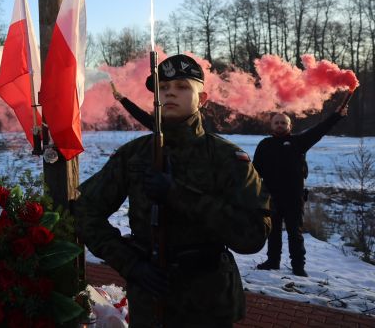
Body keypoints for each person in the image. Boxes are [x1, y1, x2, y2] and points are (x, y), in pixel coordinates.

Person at [74, 54, 271, 328]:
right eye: (163, 88)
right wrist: (131, 265)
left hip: (207, 302)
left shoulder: (226, 158)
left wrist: (179, 195)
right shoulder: (134, 155)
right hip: (150, 301)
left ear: (202, 99)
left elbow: (252, 235)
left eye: (182, 86)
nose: (170, 93)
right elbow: (84, 211)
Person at [253, 100, 348, 277]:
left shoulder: (299, 142)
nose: (280, 125)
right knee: (273, 233)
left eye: (284, 122)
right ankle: (273, 261)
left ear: (290, 125)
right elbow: (254, 172)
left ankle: (298, 267)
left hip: (294, 198)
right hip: (271, 197)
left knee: (294, 233)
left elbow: (320, 130)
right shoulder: (264, 145)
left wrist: (336, 116)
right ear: (271, 125)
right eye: (277, 122)